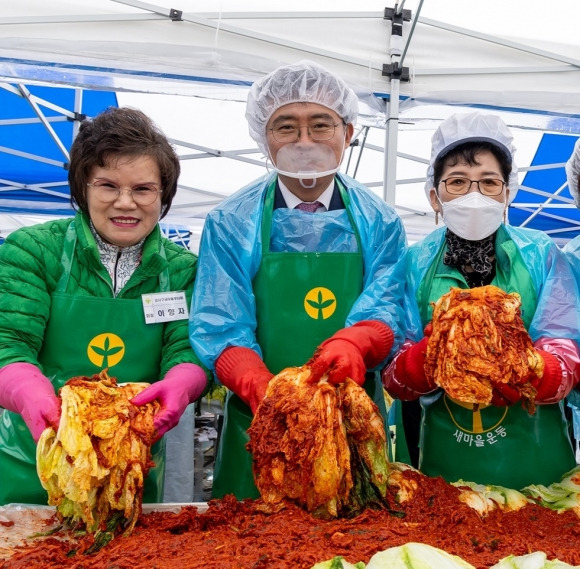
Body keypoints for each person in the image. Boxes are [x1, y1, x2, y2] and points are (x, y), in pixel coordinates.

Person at [190, 60, 407, 500]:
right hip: (260, 420)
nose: (304, 142)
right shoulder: (231, 221)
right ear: (263, 138)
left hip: (351, 419)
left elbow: (391, 304)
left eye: (320, 125)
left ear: (348, 133)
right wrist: (253, 380)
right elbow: (218, 318)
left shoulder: (380, 221)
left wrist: (359, 341)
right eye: (286, 127)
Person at [0, 107, 211, 505]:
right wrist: (27, 391)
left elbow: (187, 347)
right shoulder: (34, 250)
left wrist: (184, 381)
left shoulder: (182, 271)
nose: (126, 203)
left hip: (131, 463)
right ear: (83, 187)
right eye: (108, 186)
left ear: (163, 194)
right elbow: (7, 339)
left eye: (143, 189)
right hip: (34, 460)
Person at [382, 111, 580, 489]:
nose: (474, 195)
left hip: (539, 468)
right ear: (434, 196)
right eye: (457, 182)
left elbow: (563, 340)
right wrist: (420, 363)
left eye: (489, 182)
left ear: (508, 192)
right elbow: (393, 371)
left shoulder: (541, 254)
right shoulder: (414, 263)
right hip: (445, 470)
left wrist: (540, 372)